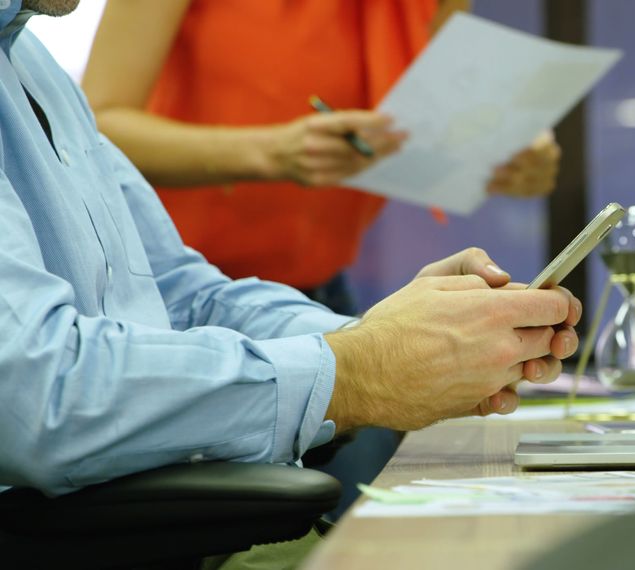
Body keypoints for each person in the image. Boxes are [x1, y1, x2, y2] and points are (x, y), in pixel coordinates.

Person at [0, 0, 580, 505]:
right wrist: (366, 364)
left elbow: (180, 293)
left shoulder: (32, 64)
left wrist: (406, 340)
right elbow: (42, 399)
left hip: (296, 304)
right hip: (205, 358)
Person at [81, 0, 561, 310]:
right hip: (170, 298)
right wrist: (269, 153)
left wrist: (516, 150)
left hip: (322, 293)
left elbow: (453, 110)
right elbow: (96, 122)